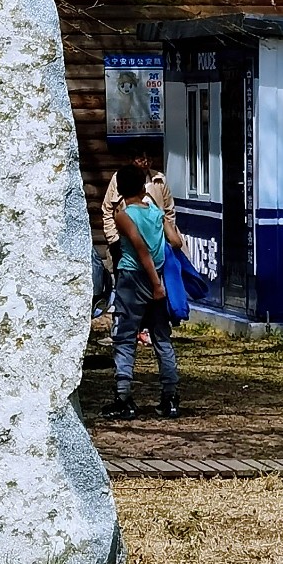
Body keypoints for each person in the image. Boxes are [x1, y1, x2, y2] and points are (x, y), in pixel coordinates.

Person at [107, 162, 184, 420]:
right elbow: (176, 241)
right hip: (158, 277)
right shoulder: (154, 209)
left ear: (119, 188)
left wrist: (155, 285)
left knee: (125, 337)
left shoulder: (123, 216)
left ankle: (123, 397)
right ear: (143, 187)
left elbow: (140, 250)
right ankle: (170, 398)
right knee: (162, 338)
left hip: (133, 279)